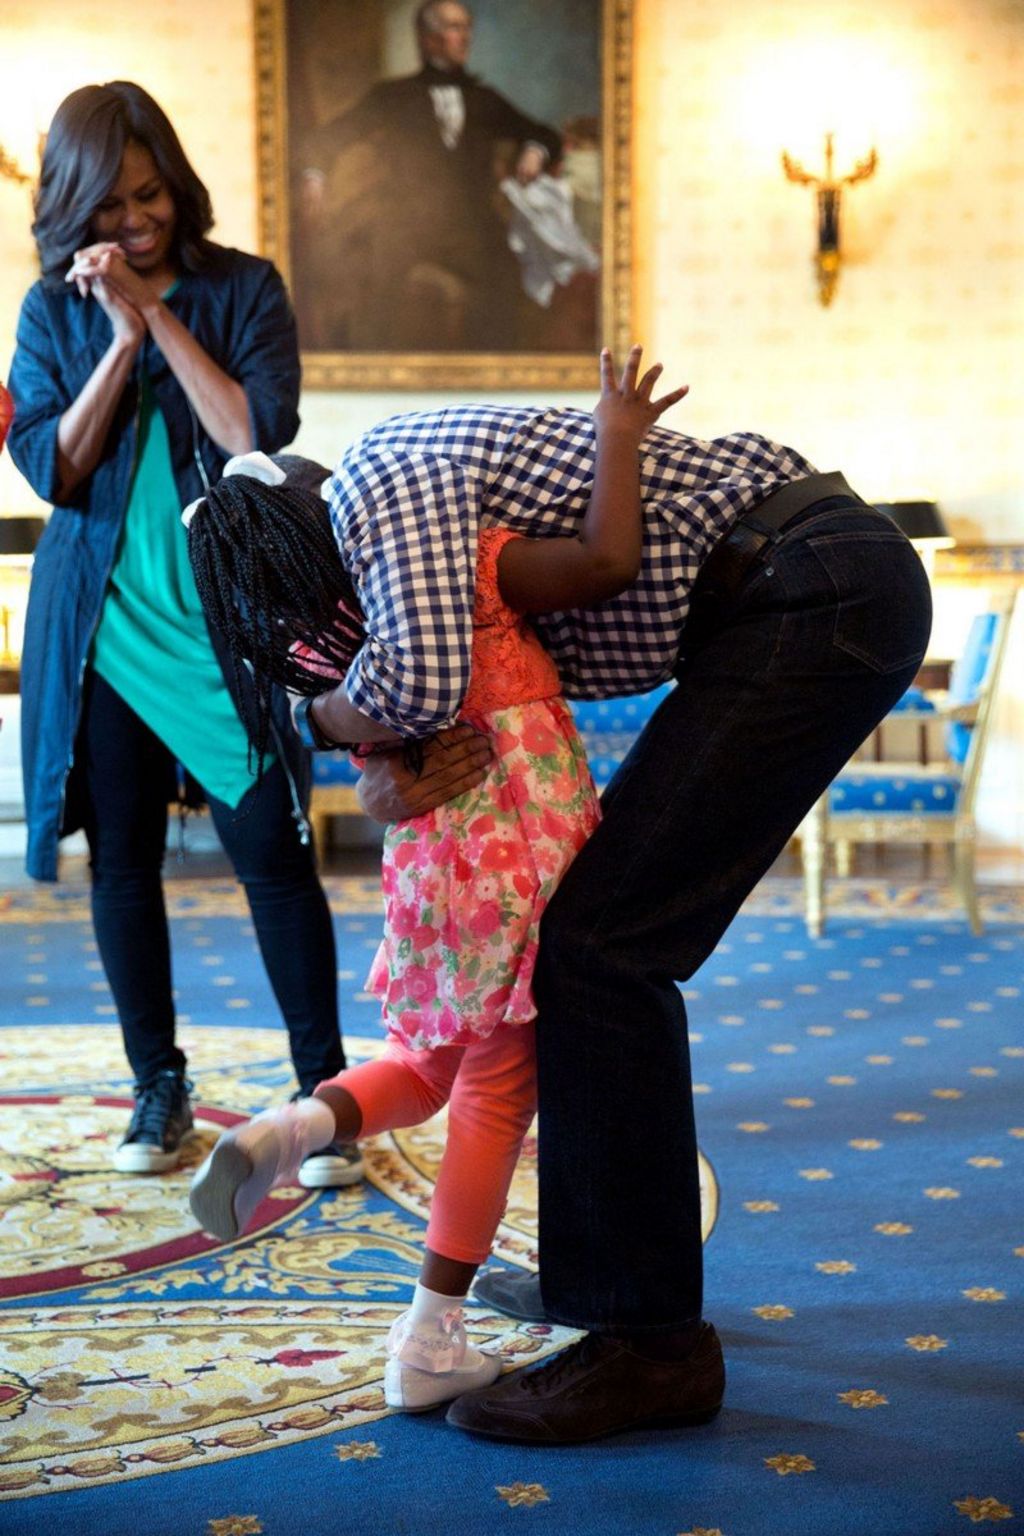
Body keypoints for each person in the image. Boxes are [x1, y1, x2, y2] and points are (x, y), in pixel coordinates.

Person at [293, 351, 932, 1443]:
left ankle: (651, 1344)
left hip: (809, 585)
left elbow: (415, 680)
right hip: (794, 587)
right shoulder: (428, 525)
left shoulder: (375, 486)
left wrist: (328, 723)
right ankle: (604, 1286)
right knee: (587, 941)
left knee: (599, 950)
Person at [183, 348, 686, 1412]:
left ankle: (289, 1129)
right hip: (523, 850)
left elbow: (355, 737)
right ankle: (429, 1340)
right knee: (497, 1090)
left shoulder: (340, 658)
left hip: (436, 867)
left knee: (430, 1066)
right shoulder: (454, 561)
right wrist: (618, 438)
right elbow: (603, 563)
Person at [5, 81, 361, 1188]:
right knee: (124, 861)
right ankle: (157, 1088)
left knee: (272, 852)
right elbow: (53, 470)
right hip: (100, 624)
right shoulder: (50, 311)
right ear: (75, 203)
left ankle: (324, 1094)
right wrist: (113, 342)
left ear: (176, 182)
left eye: (150, 195)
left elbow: (253, 434)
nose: (136, 221)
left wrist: (156, 313)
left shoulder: (243, 287)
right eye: (111, 205)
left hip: (226, 624)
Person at [297, 0, 563, 351]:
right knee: (378, 291)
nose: (465, 36)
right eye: (454, 27)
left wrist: (534, 149)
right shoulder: (392, 97)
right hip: (403, 224)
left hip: (472, 226)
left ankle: (494, 377)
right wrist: (314, 175)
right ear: (428, 38)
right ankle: (375, 372)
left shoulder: (484, 99)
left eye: (466, 27)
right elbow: (328, 138)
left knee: (505, 282)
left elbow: (544, 134)